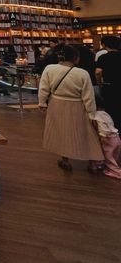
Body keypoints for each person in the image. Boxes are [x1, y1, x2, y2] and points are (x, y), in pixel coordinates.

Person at [38, 44, 103, 172]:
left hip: (56, 104)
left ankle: (65, 160)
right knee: (87, 132)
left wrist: (42, 103)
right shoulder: (82, 73)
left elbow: (43, 88)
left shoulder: (49, 69)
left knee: (62, 132)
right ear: (76, 58)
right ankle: (92, 162)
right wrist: (92, 114)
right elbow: (88, 96)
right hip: (77, 105)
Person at [95, 36, 121, 129]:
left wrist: (99, 83)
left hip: (109, 86)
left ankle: (114, 130)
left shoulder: (103, 57)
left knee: (111, 109)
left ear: (104, 45)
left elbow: (98, 72)